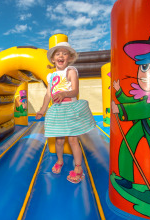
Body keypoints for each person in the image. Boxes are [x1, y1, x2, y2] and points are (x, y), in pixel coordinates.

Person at [35, 42, 96, 183]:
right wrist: (42, 110)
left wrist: (64, 93)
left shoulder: (71, 71)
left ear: (69, 57)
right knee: (59, 140)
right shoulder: (51, 76)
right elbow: (48, 95)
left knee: (73, 139)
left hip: (70, 107)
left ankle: (78, 168)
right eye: (57, 54)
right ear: (53, 59)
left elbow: (75, 91)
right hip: (57, 110)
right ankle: (60, 161)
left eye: (64, 53)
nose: (61, 56)